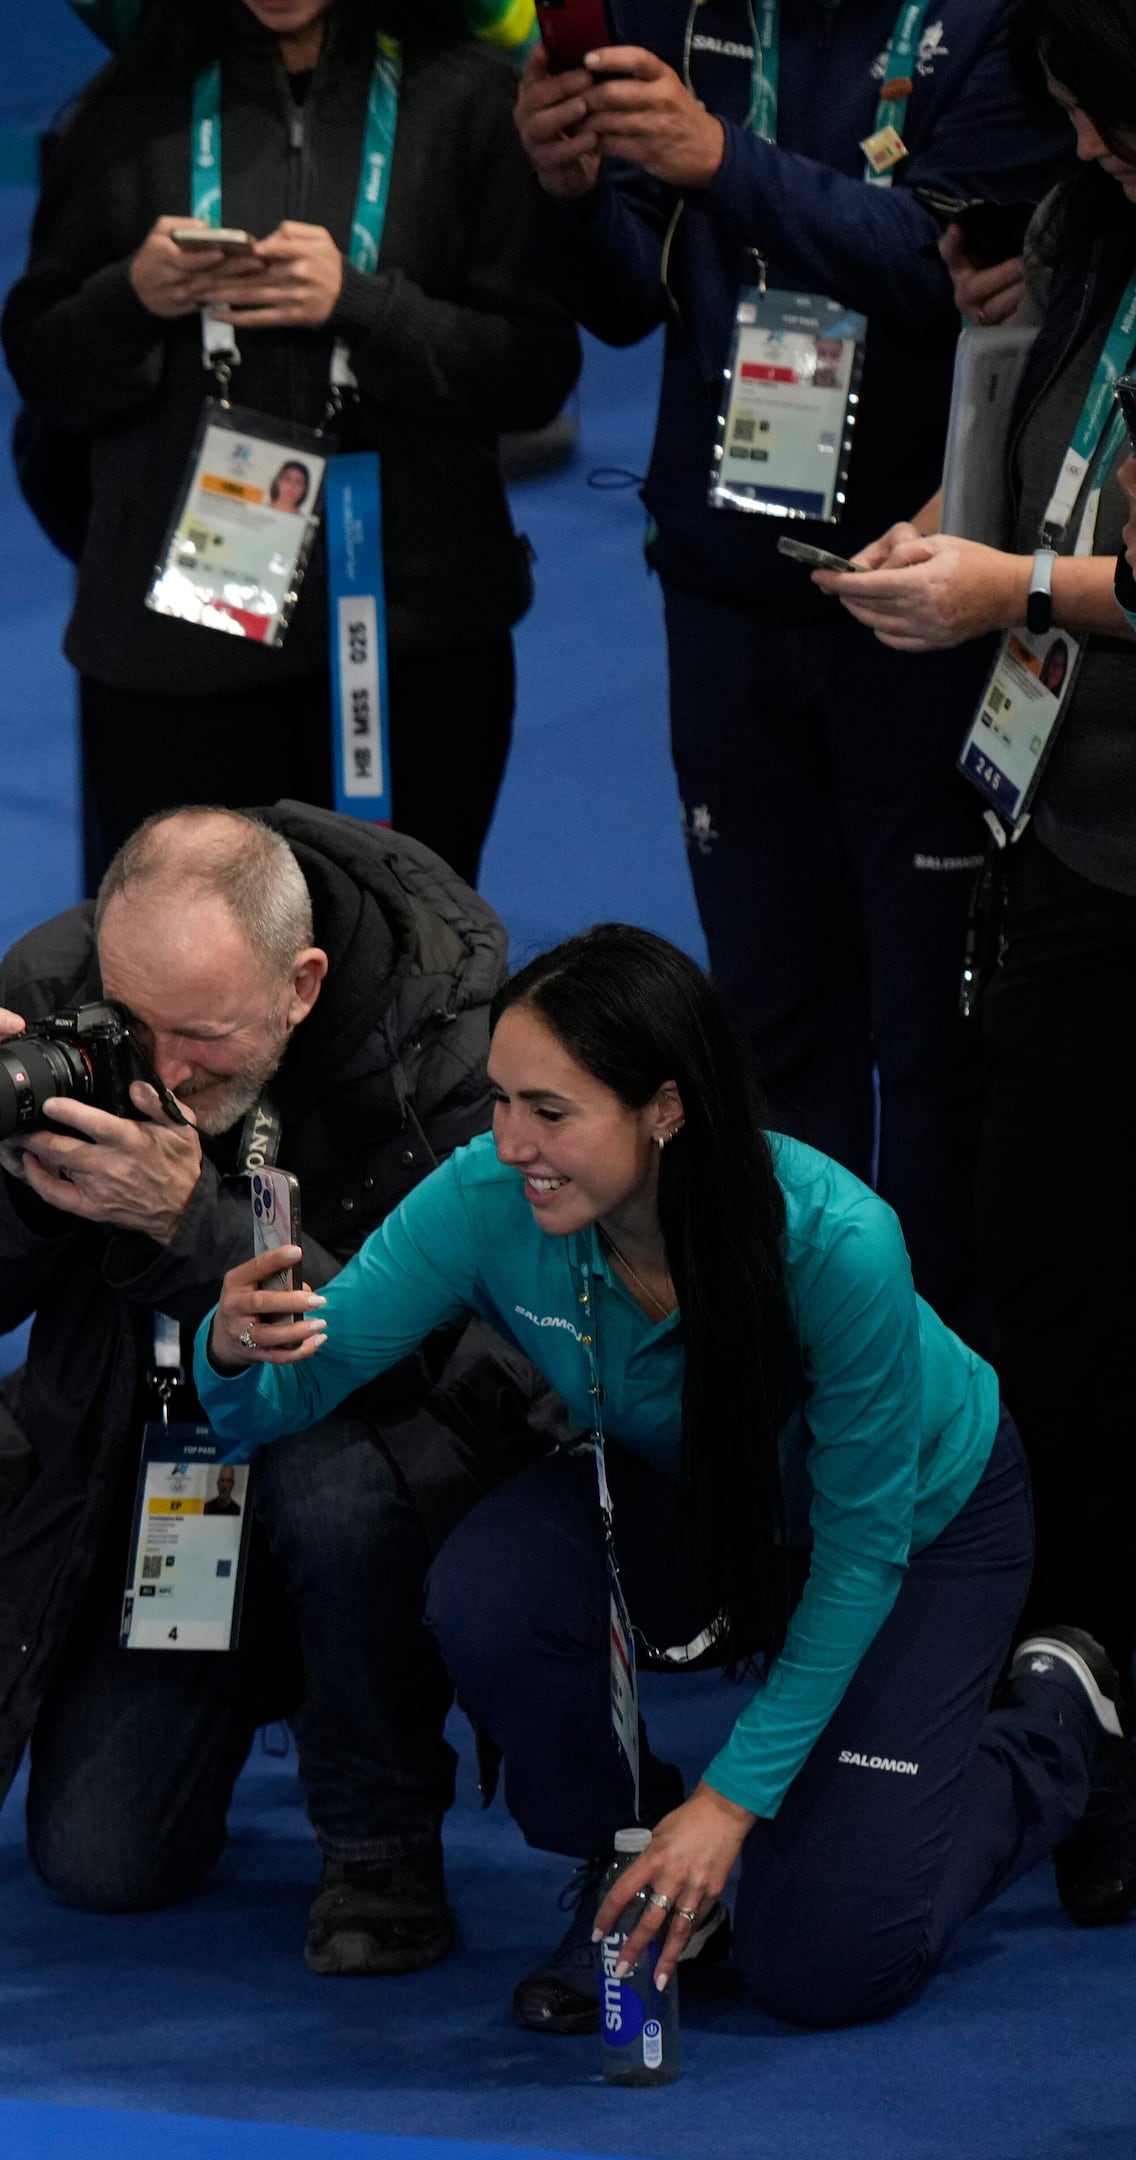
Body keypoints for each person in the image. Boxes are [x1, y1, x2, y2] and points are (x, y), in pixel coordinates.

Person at [209, 925, 1132, 2032]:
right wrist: (229, 1350)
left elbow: (859, 1557)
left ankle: (1054, 1727)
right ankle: (634, 1867)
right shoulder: (483, 1200)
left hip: (919, 1536)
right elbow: (292, 1396)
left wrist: (731, 1801)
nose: (509, 1144)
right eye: (501, 1100)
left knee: (825, 1965)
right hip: (690, 1501)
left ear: (665, 1108)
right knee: (491, 1591)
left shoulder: (838, 1243)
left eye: (550, 1112)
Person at [0, 806, 536, 1975]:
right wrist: (27, 1185)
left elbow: (469, 1359)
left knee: (335, 1489)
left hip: (368, 1455)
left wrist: (185, 1220)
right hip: (149, 1462)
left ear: (302, 986)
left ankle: (380, 1831)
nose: (165, 1076)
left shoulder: (452, 1035)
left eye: (201, 1037)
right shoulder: (55, 984)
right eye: (133, 1028)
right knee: (103, 1866)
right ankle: (263, 1670)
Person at [513, 0, 1066, 1335]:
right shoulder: (685, 11)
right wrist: (569, 187)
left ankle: (937, 1388)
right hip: (717, 598)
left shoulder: (991, 25)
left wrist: (724, 161)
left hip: (916, 598)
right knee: (768, 1030)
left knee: (932, 1050)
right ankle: (795, 1357)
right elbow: (618, 304)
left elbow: (947, 268)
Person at [811, 0, 1136, 1924]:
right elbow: (1055, 454)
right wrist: (960, 529)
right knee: (1046, 1261)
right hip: (1065, 832)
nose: (1087, 157)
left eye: (1104, 123)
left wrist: (1011, 590)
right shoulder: (1091, 229)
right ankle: (1070, 1664)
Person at [5, 0, 577, 891]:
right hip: (174, 656)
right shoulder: (130, 106)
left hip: (410, 643)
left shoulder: (465, 101)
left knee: (406, 985)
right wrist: (130, 297)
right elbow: (42, 370)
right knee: (178, 993)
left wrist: (363, 306)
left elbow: (534, 371)